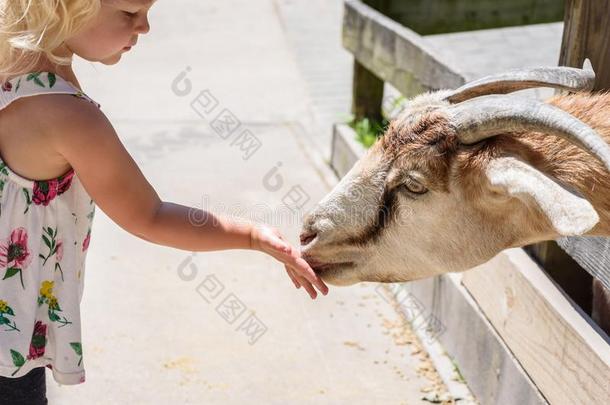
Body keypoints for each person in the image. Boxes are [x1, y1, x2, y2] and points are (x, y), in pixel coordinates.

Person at [0, 1, 328, 403]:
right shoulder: (69, 117)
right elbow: (150, 216)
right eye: (129, 12)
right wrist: (253, 236)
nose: (145, 28)